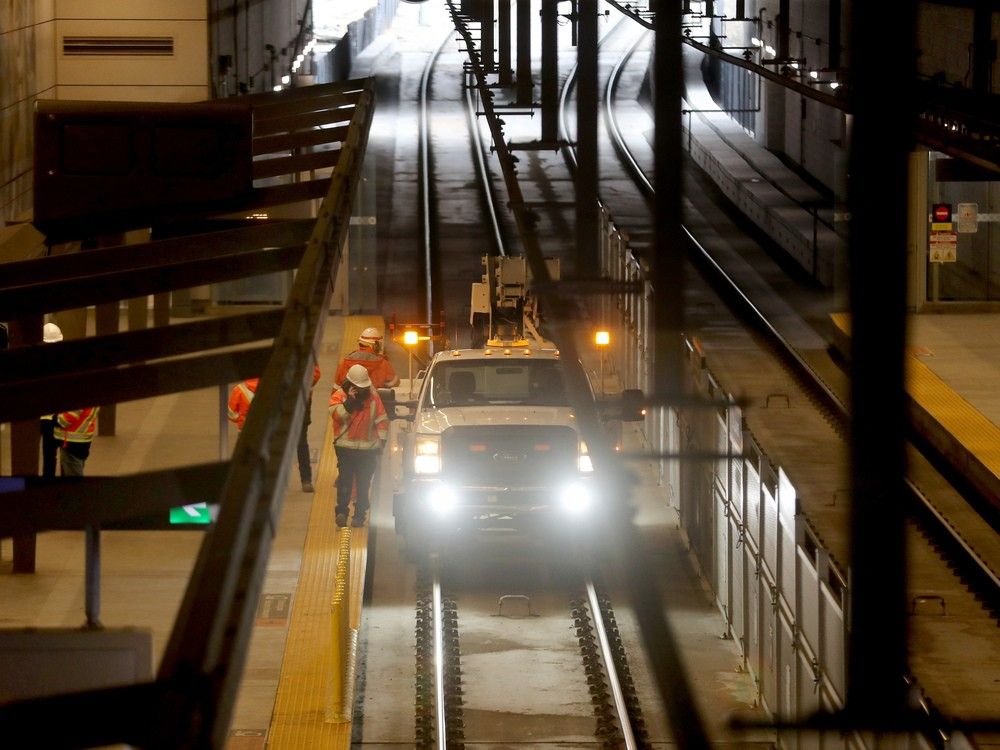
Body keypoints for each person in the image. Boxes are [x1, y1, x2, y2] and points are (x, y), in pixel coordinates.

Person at [329, 364, 388, 527]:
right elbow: (337, 416)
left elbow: (382, 419)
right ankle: (341, 512)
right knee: (345, 482)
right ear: (350, 385)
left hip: (368, 450)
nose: (362, 391)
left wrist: (382, 442)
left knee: (363, 484)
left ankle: (359, 515)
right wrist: (350, 402)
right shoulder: (339, 396)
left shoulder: (373, 396)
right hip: (345, 448)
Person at [334, 326, 400, 389]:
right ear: (374, 345)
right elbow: (394, 382)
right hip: (374, 399)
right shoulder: (382, 363)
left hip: (351, 399)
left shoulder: (346, 361)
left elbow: (337, 386)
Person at [39, 323, 64, 478]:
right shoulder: (65, 362)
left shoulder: (37, 363)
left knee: (48, 456)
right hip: (62, 417)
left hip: (44, 418)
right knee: (65, 456)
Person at [55, 406, 99, 477]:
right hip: (82, 438)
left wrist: (54, 418)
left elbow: (65, 420)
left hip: (72, 441)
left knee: (73, 471)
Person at [297, 364, 322, 492]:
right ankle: (306, 481)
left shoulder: (305, 353)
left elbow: (316, 373)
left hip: (302, 404)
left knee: (301, 442)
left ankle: (306, 480)